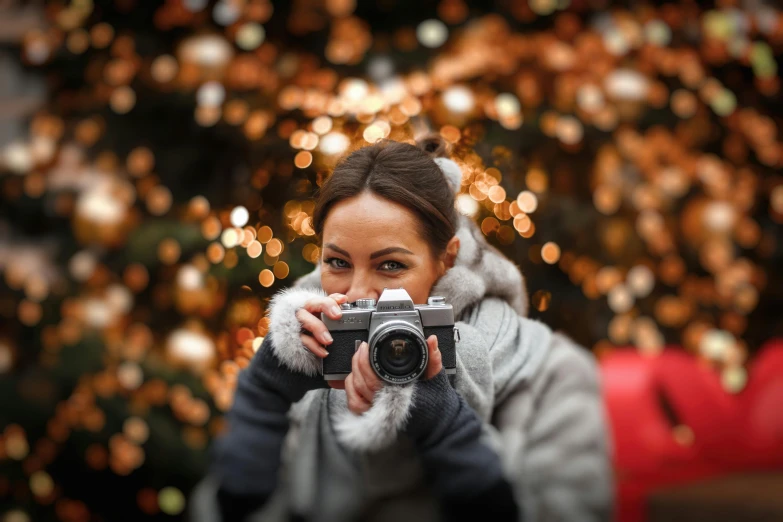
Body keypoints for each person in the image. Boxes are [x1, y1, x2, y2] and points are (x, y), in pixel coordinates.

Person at [190, 137, 613, 522]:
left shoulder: (552, 374)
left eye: (390, 265)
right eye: (338, 262)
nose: (358, 293)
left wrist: (445, 426)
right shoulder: (308, 348)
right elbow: (228, 508)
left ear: (446, 258)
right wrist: (262, 397)